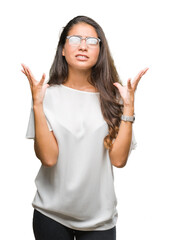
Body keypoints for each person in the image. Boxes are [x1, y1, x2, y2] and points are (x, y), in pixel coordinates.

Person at [22, 15, 148, 240]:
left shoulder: (114, 100)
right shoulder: (45, 96)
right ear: (62, 49)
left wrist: (128, 109)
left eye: (91, 41)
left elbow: (118, 161)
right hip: (51, 215)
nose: (83, 46)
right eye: (75, 39)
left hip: (99, 221)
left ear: (100, 50)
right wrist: (38, 106)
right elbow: (48, 158)